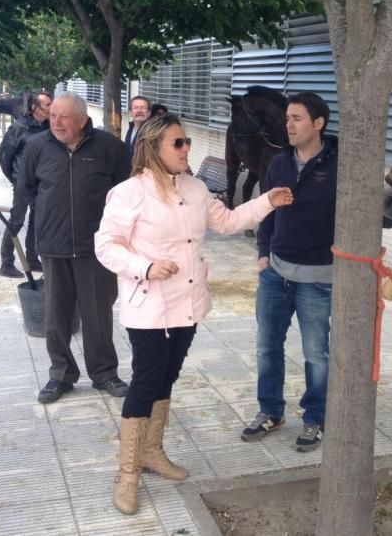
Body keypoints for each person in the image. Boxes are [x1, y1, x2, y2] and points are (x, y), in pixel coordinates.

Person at [95, 112, 292, 515]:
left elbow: (229, 221)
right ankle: (127, 473)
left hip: (187, 305)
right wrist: (145, 266)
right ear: (154, 148)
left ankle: (152, 451)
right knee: (145, 383)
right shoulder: (129, 193)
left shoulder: (196, 187)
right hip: (150, 307)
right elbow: (106, 245)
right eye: (178, 142)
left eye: (187, 141)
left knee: (167, 378)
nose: (187, 148)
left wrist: (266, 201)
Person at [17, 92, 132, 404]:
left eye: (64, 117)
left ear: (82, 119)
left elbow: (128, 192)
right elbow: (25, 188)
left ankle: (104, 373)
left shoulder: (110, 148)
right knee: (56, 317)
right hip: (53, 246)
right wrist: (47, 215)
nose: (56, 123)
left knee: (98, 315)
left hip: (97, 247)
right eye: (53, 116)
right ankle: (61, 375)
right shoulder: (37, 146)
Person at [239, 91, 338, 452]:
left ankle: (316, 418)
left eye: (297, 118)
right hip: (275, 274)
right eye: (287, 119)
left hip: (318, 279)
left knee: (316, 354)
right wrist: (263, 253)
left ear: (318, 123)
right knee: (267, 348)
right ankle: (271, 411)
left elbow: (369, 209)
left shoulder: (339, 164)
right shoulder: (279, 162)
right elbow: (266, 210)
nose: (289, 125)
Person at [0, 91, 52, 278]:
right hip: (22, 182)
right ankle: (6, 263)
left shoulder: (48, 127)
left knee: (37, 221)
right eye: (47, 105)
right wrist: (15, 177)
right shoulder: (20, 127)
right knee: (16, 220)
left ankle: (32, 258)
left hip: (41, 182)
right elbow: (4, 155)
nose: (51, 108)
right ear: (35, 107)